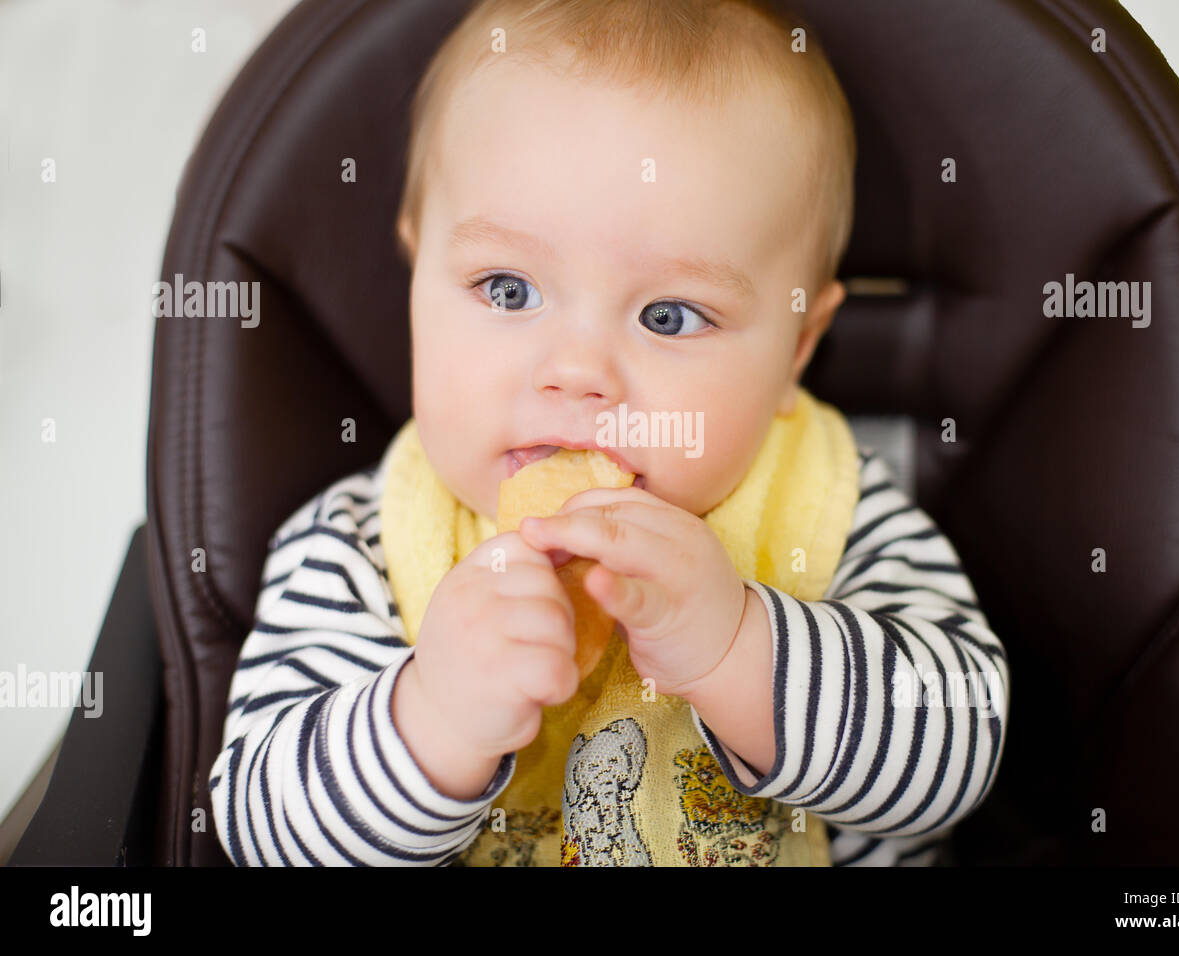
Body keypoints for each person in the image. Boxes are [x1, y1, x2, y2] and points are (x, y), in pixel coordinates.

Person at [209, 0, 1008, 867]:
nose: (577, 372)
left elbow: (958, 758)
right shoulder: (360, 547)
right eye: (507, 289)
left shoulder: (831, 513)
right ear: (416, 279)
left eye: (669, 315)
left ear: (795, 351)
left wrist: (736, 650)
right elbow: (261, 835)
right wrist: (432, 720)